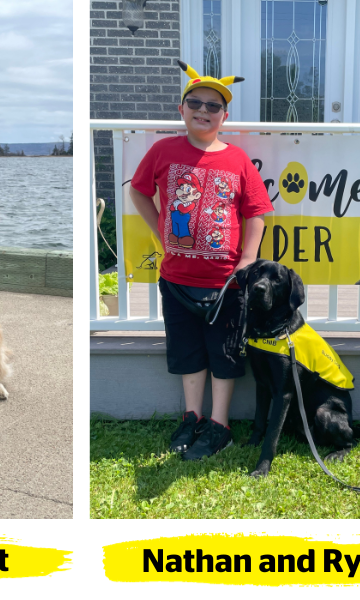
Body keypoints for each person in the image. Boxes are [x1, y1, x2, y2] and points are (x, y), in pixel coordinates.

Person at [130, 60, 272, 460]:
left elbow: (256, 212)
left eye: (214, 105)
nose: (204, 111)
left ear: (224, 116)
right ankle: (192, 416)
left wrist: (247, 259)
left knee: (223, 354)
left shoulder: (238, 160)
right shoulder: (163, 151)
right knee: (188, 351)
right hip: (176, 279)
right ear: (182, 109)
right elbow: (139, 193)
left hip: (225, 282)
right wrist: (160, 233)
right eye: (195, 102)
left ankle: (220, 423)